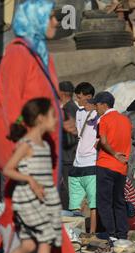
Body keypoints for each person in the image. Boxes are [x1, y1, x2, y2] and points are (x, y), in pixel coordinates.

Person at [0, 0, 82, 253]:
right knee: (33, 220)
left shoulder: (42, 55)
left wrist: (61, 122)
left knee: (41, 221)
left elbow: (46, 103)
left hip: (45, 151)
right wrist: (25, 141)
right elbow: (9, 104)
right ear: (34, 19)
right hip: (26, 150)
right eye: (50, 17)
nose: (56, 22)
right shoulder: (17, 54)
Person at [0, 98, 68, 253]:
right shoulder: (26, 144)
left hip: (43, 200)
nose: (56, 120)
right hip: (28, 199)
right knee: (44, 239)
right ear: (40, 118)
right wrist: (30, 180)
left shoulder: (44, 144)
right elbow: (9, 169)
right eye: (53, 116)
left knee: (28, 245)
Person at [94, 92, 132, 246]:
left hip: (106, 164)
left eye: (97, 105)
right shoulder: (125, 120)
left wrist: (114, 153)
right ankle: (122, 233)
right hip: (121, 167)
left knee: (104, 201)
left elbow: (103, 140)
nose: (96, 108)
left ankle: (111, 233)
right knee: (119, 201)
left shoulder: (104, 119)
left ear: (104, 104)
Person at [69, 82, 100, 242]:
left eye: (80, 97)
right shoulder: (79, 112)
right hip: (78, 162)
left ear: (88, 97)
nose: (78, 100)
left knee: (93, 202)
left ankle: (92, 233)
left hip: (92, 162)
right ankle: (75, 233)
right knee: (75, 202)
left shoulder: (97, 113)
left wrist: (94, 109)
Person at [59, 81, 78, 211]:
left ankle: (70, 215)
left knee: (67, 189)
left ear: (62, 93)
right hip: (71, 156)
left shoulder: (67, 110)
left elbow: (69, 134)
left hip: (67, 156)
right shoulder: (74, 108)